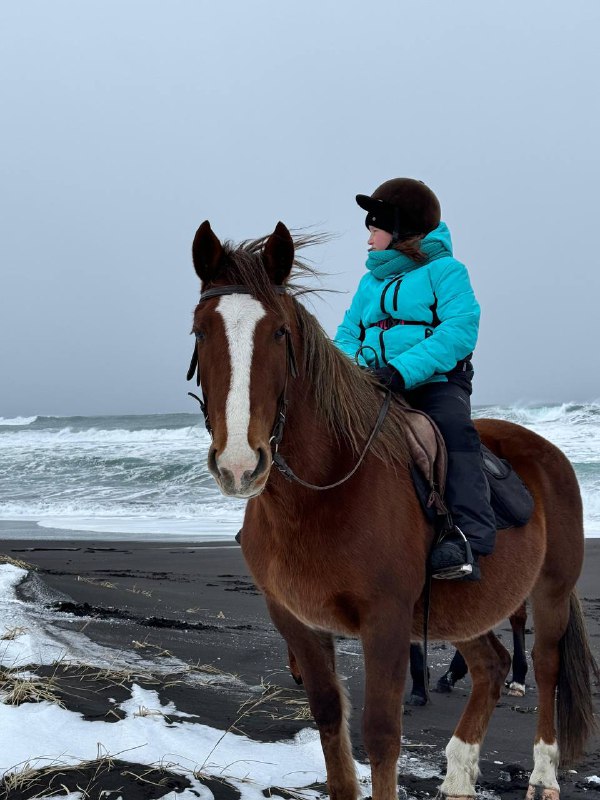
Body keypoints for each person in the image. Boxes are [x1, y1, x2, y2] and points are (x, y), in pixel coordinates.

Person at [334, 178, 496, 581]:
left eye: (375, 227)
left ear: (400, 228)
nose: (368, 237)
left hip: (435, 383)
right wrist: (358, 373)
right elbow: (345, 335)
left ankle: (467, 539)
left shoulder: (446, 271)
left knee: (454, 432)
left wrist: (403, 370)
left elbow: (460, 329)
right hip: (372, 383)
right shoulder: (368, 283)